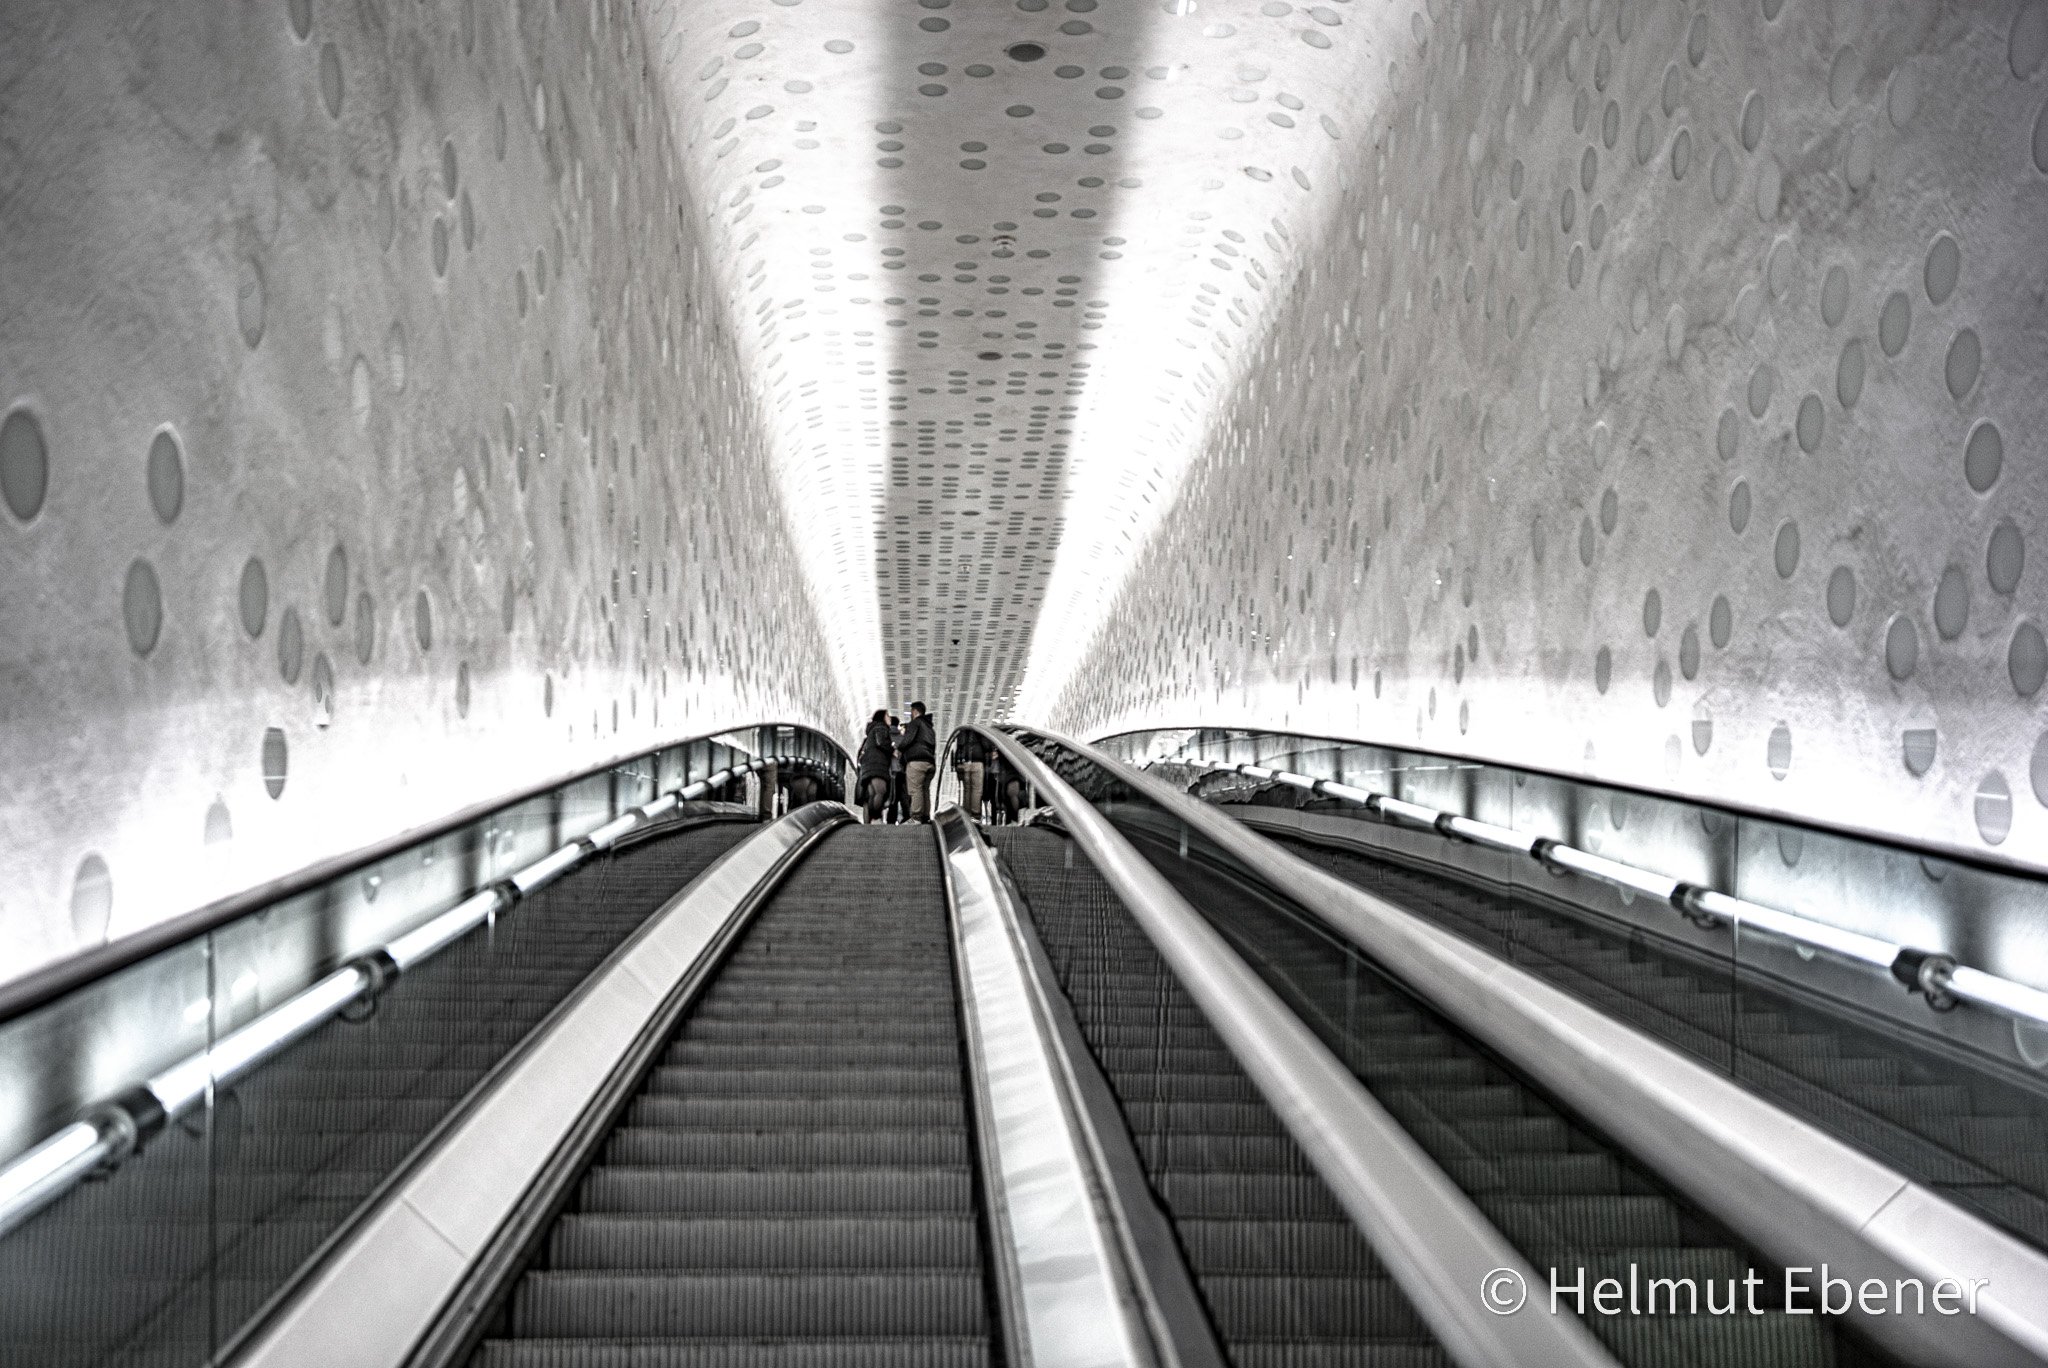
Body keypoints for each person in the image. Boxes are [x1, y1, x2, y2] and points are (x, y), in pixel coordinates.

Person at [899, 701, 937, 823]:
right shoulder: (930, 728)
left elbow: (907, 740)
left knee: (915, 789)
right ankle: (926, 817)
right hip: (930, 762)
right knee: (925, 790)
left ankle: (916, 817)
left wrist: (899, 747)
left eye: (911, 712)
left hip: (916, 762)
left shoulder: (915, 723)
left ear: (915, 711)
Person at [854, 709, 894, 823]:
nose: (890, 718)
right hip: (877, 765)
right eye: (887, 716)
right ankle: (875, 818)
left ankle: (870, 821)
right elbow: (881, 742)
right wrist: (893, 750)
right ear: (882, 717)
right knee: (880, 791)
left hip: (867, 767)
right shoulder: (881, 727)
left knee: (872, 794)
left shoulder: (869, 734)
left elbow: (860, 754)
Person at [954, 730, 989, 822]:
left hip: (964, 763)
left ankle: (967, 814)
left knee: (967, 790)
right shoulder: (980, 732)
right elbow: (986, 746)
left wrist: (956, 765)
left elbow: (958, 748)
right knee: (976, 789)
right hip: (977, 762)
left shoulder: (962, 732)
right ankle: (975, 815)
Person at [887, 713, 908, 824]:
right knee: (903, 795)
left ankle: (891, 820)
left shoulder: (885, 737)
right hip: (901, 771)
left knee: (892, 796)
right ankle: (907, 817)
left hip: (889, 771)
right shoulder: (903, 738)